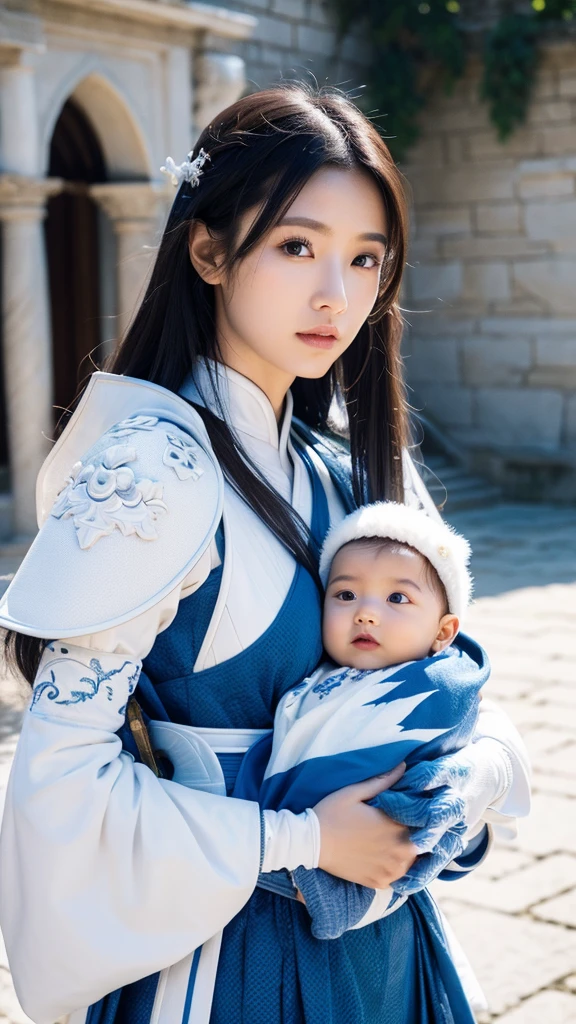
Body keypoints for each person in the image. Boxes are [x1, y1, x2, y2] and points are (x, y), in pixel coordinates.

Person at [0, 85, 530, 1024]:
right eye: (296, 246)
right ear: (208, 249)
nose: (337, 294)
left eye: (366, 259)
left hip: (380, 935)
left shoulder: (349, 465)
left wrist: (463, 781)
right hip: (228, 955)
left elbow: (442, 677)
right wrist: (299, 838)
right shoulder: (155, 468)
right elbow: (59, 784)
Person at [249, 501, 488, 941]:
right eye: (345, 595)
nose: (366, 612)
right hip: (277, 842)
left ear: (443, 632)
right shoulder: (316, 674)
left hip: (362, 854)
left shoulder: (430, 688)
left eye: (397, 598)